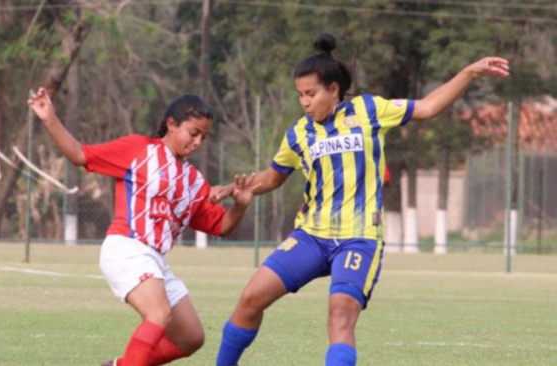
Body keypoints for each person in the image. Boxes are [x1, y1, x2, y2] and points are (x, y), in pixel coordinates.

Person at [211, 34, 509, 366]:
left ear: (334, 89)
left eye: (311, 94)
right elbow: (273, 176)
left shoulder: (369, 109)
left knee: (340, 314)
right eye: (300, 96)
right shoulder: (298, 134)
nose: (305, 102)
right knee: (251, 297)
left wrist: (469, 72)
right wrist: (240, 188)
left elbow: (427, 107)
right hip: (311, 235)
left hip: (359, 238)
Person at [27, 88, 260, 366]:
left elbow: (222, 226)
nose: (198, 142)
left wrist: (241, 205)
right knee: (158, 314)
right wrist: (49, 117)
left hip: (155, 260)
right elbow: (79, 154)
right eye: (193, 132)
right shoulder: (138, 149)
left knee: (191, 337)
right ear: (171, 124)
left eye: (204, 137)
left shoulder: (194, 181)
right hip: (126, 247)